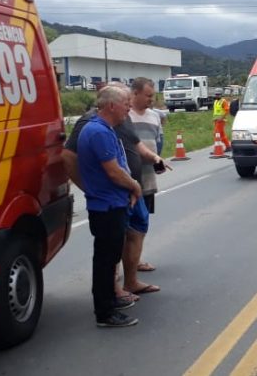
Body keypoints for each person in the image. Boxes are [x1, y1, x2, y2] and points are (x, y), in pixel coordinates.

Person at [75, 86, 142, 328]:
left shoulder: (104, 129)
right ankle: (104, 312)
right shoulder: (98, 132)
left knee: (109, 257)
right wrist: (134, 186)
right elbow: (114, 172)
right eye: (125, 102)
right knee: (105, 261)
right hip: (106, 208)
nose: (128, 107)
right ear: (112, 105)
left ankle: (109, 302)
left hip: (113, 204)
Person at [125, 77, 170, 294]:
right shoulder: (124, 117)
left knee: (141, 224)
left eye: (153, 95)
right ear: (134, 94)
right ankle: (123, 271)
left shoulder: (154, 117)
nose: (151, 99)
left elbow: (158, 142)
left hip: (147, 179)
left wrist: (157, 160)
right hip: (128, 179)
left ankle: (136, 261)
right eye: (148, 95)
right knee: (127, 227)